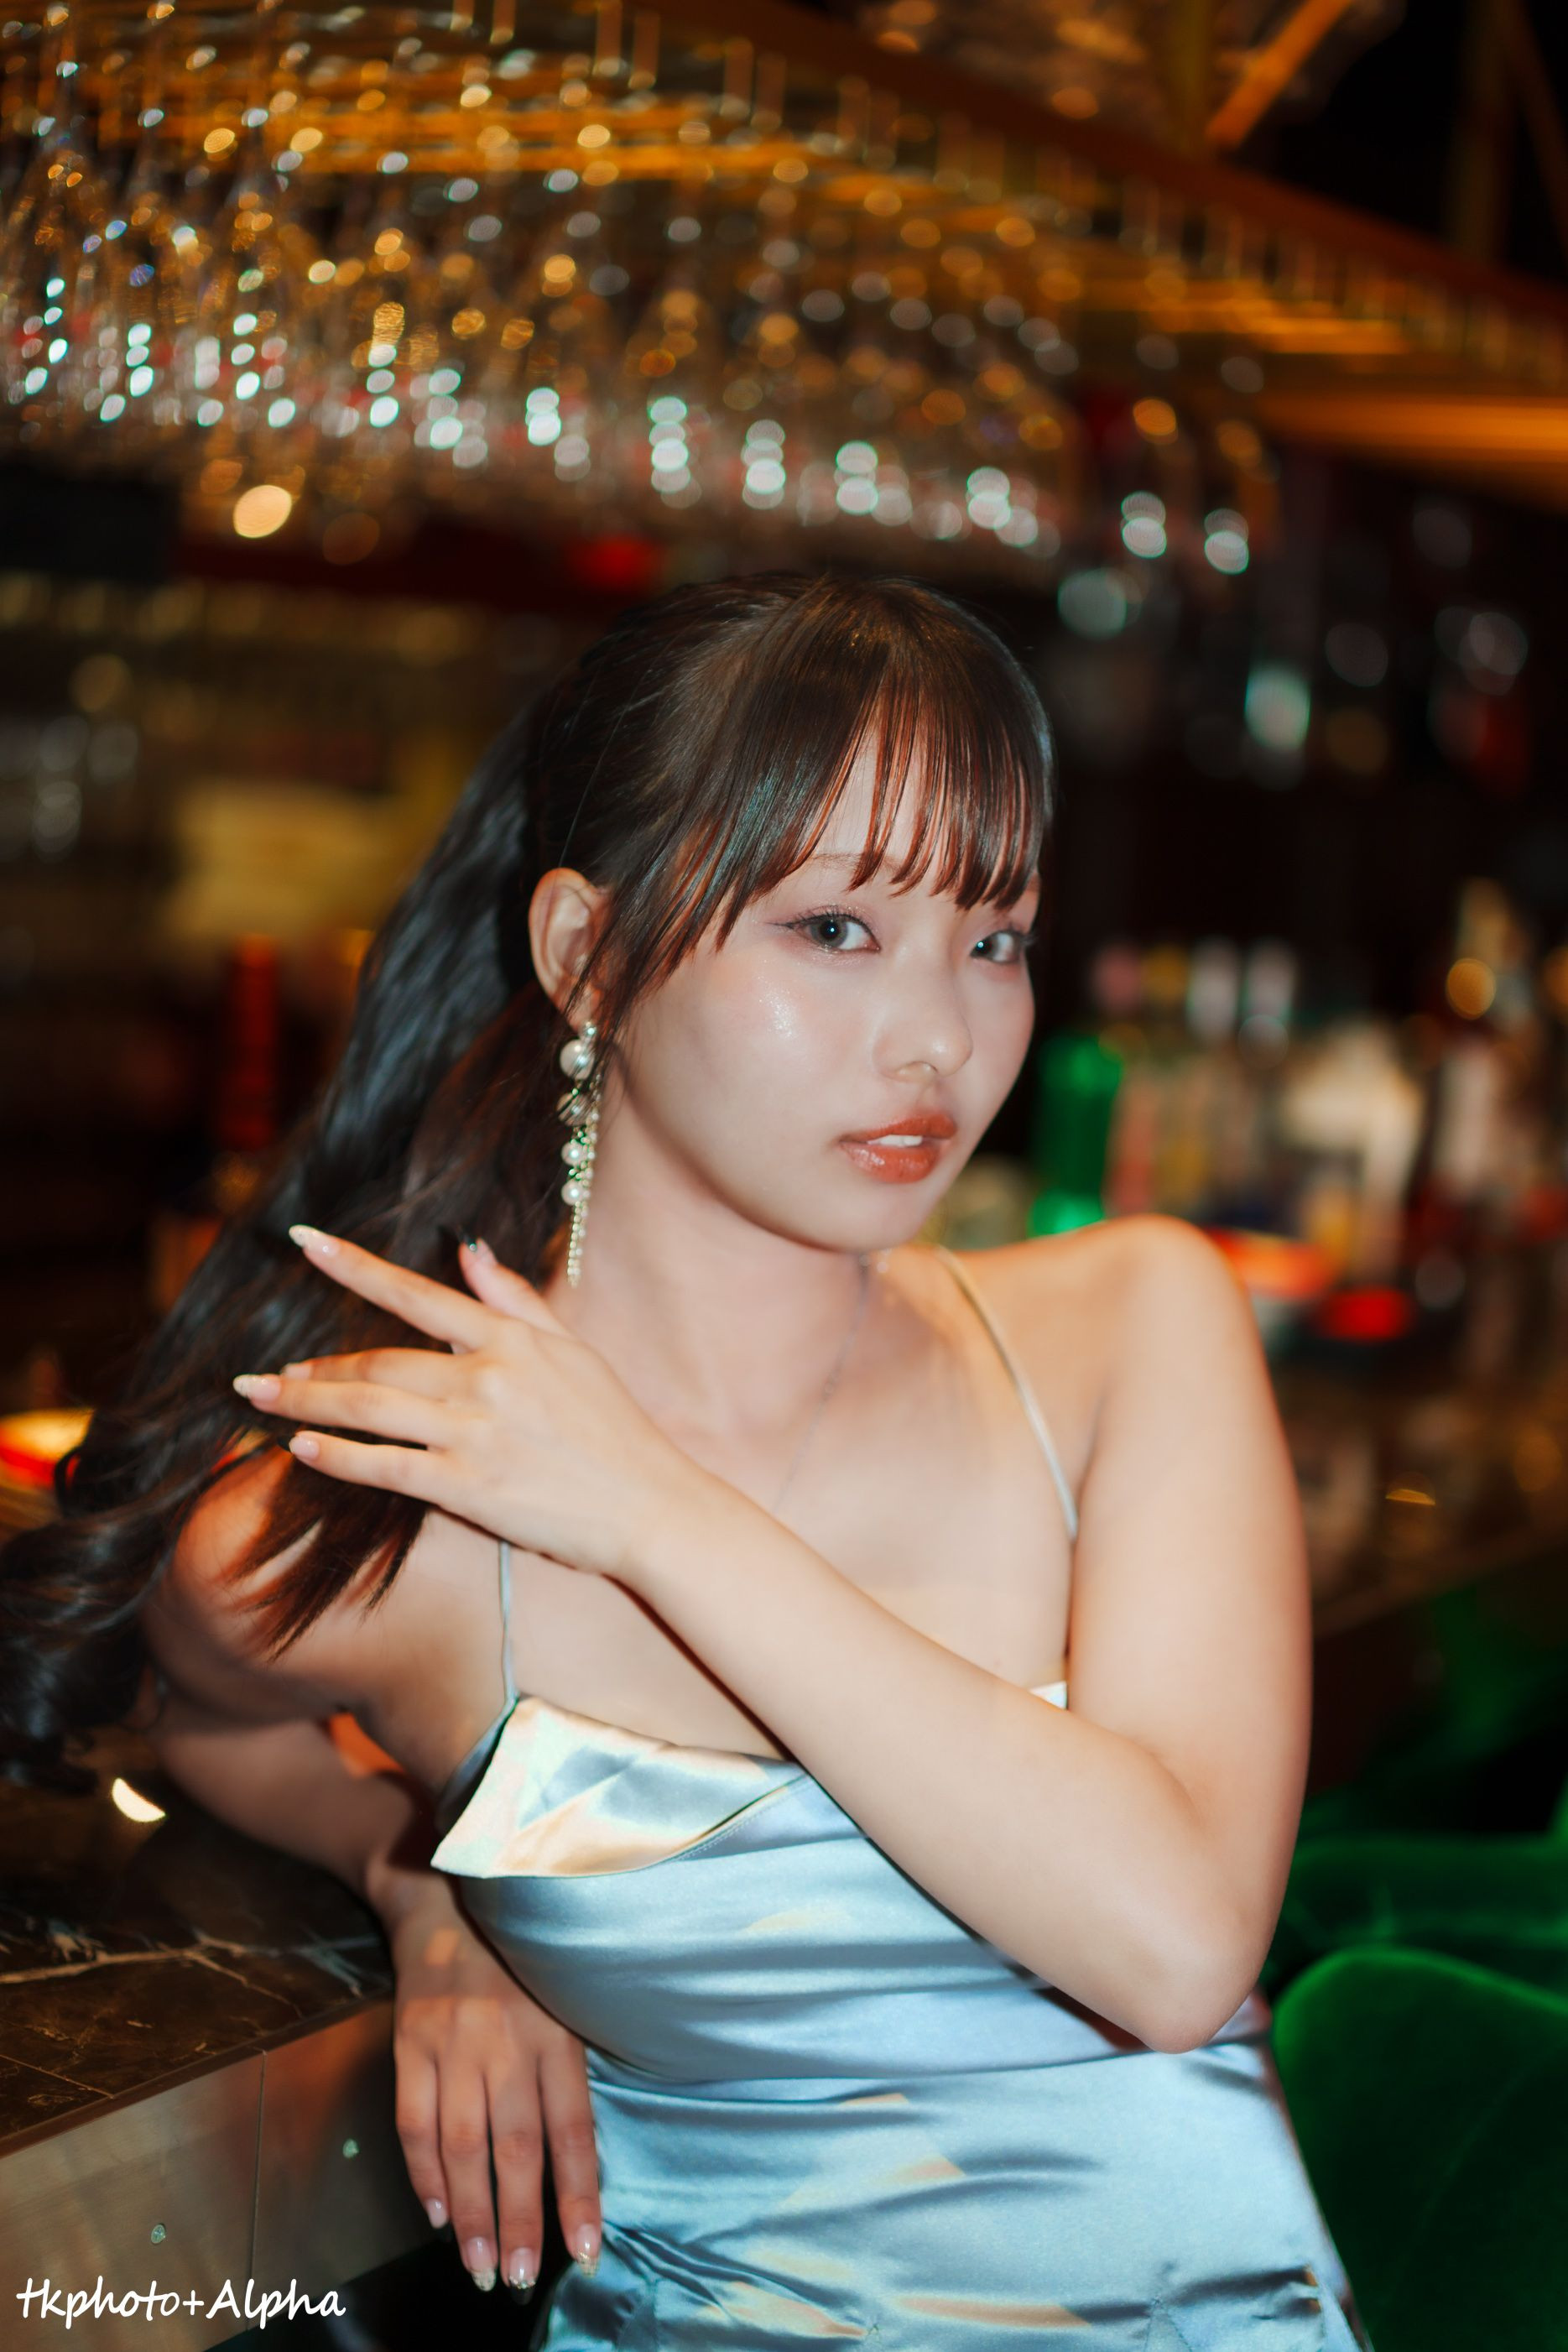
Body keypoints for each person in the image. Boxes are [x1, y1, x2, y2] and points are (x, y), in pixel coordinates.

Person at [2, 572, 1374, 2349]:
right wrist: (420, 1885)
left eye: (993, 935)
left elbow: (1173, 1944)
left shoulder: (1128, 1327)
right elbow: (208, 1719)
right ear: (586, 952)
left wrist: (652, 1511)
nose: (937, 1037)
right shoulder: (396, 1524)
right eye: (833, 927)